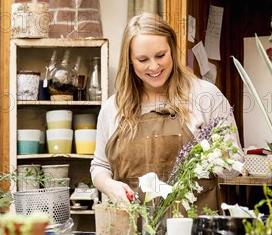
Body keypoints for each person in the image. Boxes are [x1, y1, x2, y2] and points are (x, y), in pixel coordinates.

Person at [90, 12, 243, 210]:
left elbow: (235, 162)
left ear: (172, 49)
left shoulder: (205, 96)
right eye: (143, 59)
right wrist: (109, 186)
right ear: (129, 60)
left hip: (193, 231)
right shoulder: (114, 108)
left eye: (161, 55)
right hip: (131, 229)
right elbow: (100, 166)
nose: (154, 66)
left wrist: (215, 160)